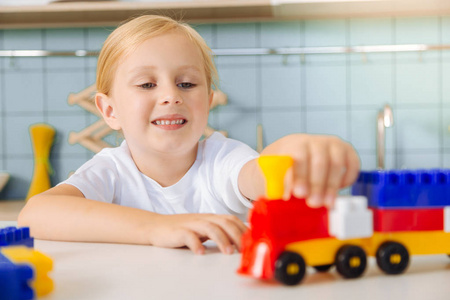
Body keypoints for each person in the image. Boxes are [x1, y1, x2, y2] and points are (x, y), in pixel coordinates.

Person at [18, 15, 360, 255]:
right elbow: (36, 214)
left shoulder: (222, 159)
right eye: (147, 84)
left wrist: (297, 150)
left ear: (208, 102)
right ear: (109, 111)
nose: (171, 96)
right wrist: (155, 228)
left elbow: (262, 173)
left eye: (187, 83)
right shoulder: (111, 171)